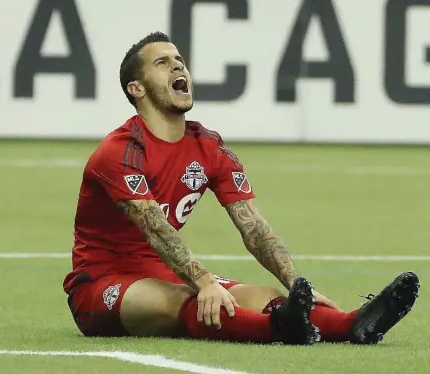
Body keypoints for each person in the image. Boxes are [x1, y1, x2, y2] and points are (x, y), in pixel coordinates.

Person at [63, 31, 420, 345]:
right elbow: (156, 229)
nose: (178, 68)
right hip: (101, 285)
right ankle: (280, 329)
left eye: (180, 61)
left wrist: (296, 285)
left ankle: (352, 324)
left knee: (265, 295)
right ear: (136, 88)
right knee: (183, 301)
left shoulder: (209, 147)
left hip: (167, 273)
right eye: (162, 62)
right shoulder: (120, 151)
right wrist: (203, 281)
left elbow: (255, 229)